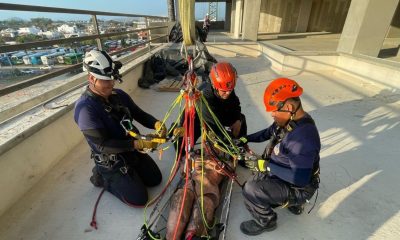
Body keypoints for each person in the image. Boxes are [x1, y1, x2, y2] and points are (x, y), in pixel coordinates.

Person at [74, 49, 167, 206]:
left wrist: (156, 123)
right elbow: (101, 145)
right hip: (111, 159)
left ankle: (131, 173)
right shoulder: (85, 109)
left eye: (112, 79)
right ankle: (102, 177)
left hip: (130, 150)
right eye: (106, 81)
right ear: (91, 78)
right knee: (139, 199)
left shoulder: (118, 95)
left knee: (155, 179)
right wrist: (136, 144)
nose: (111, 84)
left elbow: (138, 113)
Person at [239, 78, 321, 235]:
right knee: (259, 175)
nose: (272, 114)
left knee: (250, 189)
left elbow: (300, 179)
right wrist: (246, 138)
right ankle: (293, 203)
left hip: (300, 186)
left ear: (288, 107)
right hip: (288, 171)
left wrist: (265, 165)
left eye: (274, 110)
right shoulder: (289, 120)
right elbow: (268, 133)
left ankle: (266, 221)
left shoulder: (303, 138)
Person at [176, 62, 247, 159]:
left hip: (216, 114)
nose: (228, 93)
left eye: (231, 90)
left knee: (241, 119)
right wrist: (230, 144)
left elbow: (235, 105)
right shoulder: (204, 97)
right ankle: (174, 128)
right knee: (181, 150)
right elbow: (214, 126)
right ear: (215, 86)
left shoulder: (226, 87)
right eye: (224, 91)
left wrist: (237, 120)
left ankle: (241, 148)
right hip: (198, 121)